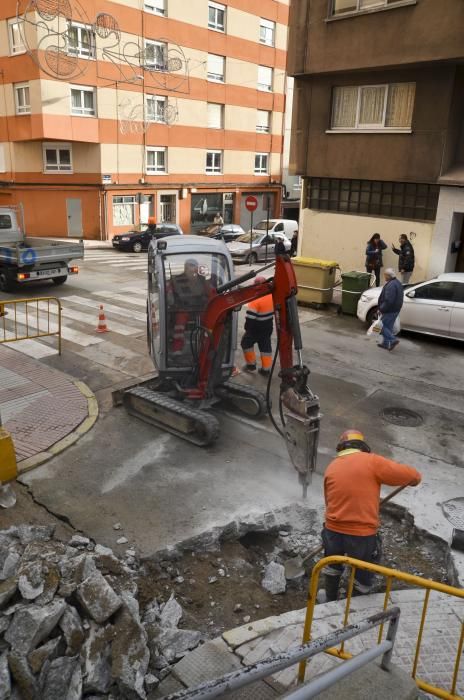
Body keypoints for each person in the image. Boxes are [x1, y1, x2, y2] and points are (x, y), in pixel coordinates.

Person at [321, 429, 422, 601]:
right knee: (363, 569)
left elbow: (328, 502)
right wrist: (414, 479)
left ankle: (330, 599)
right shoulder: (371, 461)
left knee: (332, 564)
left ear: (342, 447)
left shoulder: (332, 467)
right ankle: (355, 604)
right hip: (361, 535)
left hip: (332, 530)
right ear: (362, 447)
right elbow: (413, 476)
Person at [168, 259, 212, 354]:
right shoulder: (176, 279)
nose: (192, 269)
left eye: (194, 267)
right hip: (183, 308)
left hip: (200, 307)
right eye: (190, 266)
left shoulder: (202, 279)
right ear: (185, 268)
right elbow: (168, 291)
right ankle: (177, 347)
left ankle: (207, 345)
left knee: (209, 320)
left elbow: (210, 292)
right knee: (180, 320)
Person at [241, 276, 274, 376]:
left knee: (245, 343)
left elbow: (250, 318)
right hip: (268, 326)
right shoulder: (272, 296)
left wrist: (247, 329)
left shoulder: (256, 301)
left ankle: (251, 365)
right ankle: (266, 370)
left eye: (255, 284)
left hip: (256, 328)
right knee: (265, 347)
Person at [378, 268, 403, 351]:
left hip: (390, 310)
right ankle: (385, 344)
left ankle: (392, 340)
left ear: (388, 276)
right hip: (395, 309)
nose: (384, 276)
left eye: (385, 275)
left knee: (380, 326)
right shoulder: (397, 282)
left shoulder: (391, 285)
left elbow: (389, 300)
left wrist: (381, 309)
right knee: (388, 327)